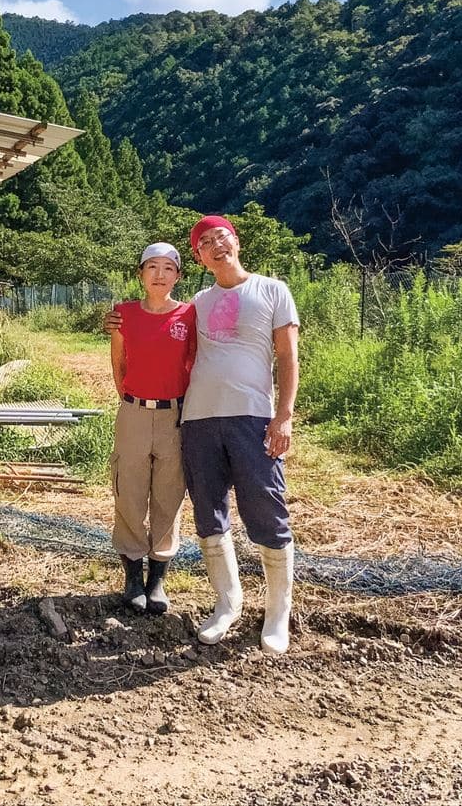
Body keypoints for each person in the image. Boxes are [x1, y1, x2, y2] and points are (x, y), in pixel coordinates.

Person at [106, 216, 300, 655]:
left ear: (236, 241)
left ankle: (277, 613)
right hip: (197, 420)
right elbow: (147, 347)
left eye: (221, 238)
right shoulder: (199, 302)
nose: (215, 246)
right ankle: (227, 604)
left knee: (265, 508)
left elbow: (288, 358)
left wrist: (283, 416)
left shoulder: (272, 290)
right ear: (197, 257)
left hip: (252, 417)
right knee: (209, 513)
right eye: (204, 243)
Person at [109, 241, 196, 615]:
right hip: (133, 411)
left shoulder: (190, 315)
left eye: (168, 268)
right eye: (152, 267)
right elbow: (118, 365)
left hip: (175, 414)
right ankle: (132, 577)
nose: (159, 275)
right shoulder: (123, 314)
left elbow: (196, 364)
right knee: (128, 490)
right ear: (140, 274)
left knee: (168, 493)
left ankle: (157, 578)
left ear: (178, 275)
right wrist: (133, 400)